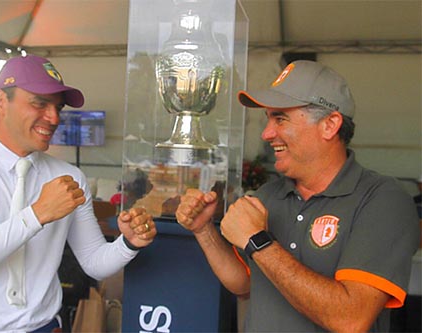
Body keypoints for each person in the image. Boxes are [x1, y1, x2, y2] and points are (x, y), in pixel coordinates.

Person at [176, 60, 420, 332]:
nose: (266, 134)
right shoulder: (269, 194)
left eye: (280, 118)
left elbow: (351, 319)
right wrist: (203, 231)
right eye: (268, 119)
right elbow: (244, 285)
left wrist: (259, 242)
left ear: (330, 125)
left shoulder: (382, 200)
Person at [0, 54, 157, 333]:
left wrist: (128, 243)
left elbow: (94, 262)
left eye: (58, 107)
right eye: (39, 103)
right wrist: (37, 214)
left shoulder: (69, 177)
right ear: (0, 102)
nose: (54, 117)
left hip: (43, 327)